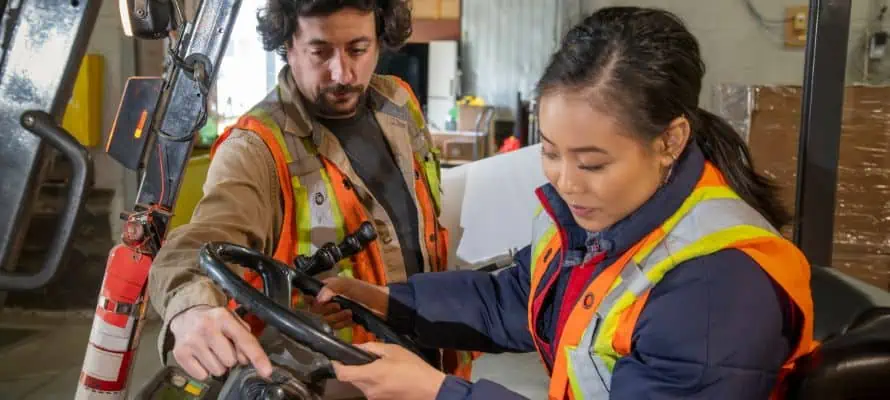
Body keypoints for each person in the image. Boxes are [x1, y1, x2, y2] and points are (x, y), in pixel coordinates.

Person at [315, 7, 818, 400]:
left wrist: (437, 391)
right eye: (551, 153)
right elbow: (518, 298)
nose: (567, 183)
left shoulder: (714, 288)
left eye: (592, 163)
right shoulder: (601, 219)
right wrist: (389, 300)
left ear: (669, 141)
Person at [146, 0, 476, 387]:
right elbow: (199, 243)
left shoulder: (399, 103)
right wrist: (192, 309)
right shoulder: (257, 148)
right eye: (320, 52)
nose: (343, 73)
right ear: (287, 43)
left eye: (358, 49)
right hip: (342, 382)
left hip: (432, 367)